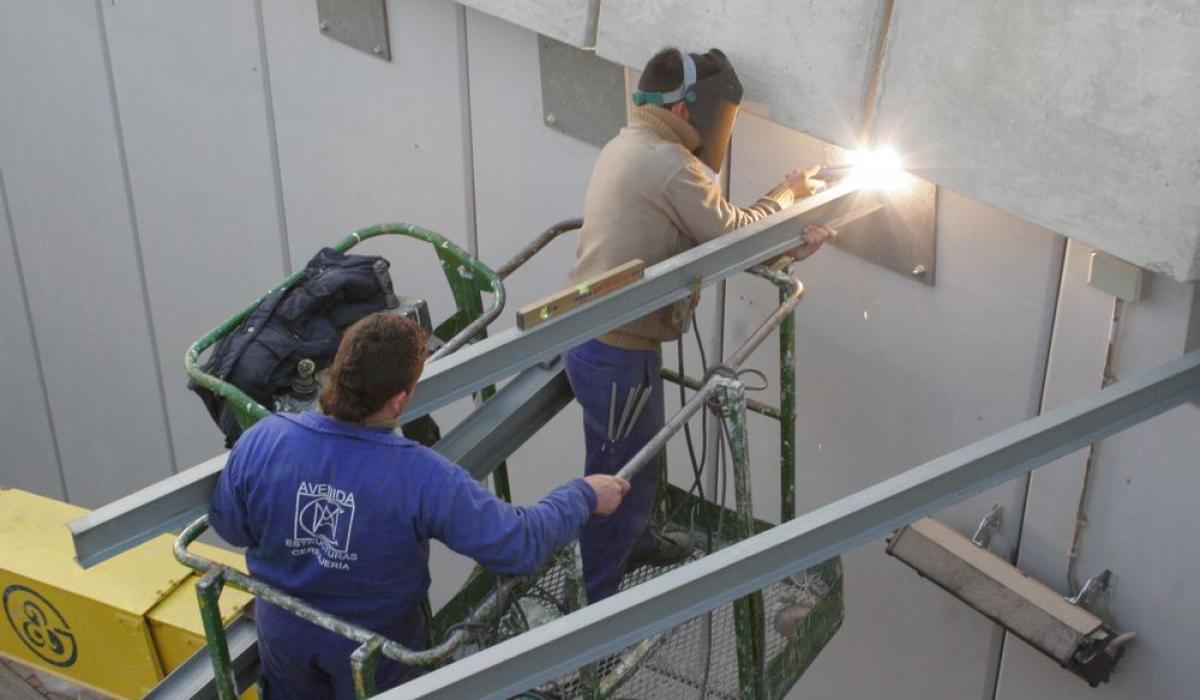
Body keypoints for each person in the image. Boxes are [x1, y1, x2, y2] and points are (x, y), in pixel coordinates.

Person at [208, 312, 630, 699]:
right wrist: (584, 495)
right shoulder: (421, 476)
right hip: (378, 655)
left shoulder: (264, 440)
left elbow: (231, 527)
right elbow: (516, 545)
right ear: (397, 402)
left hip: (285, 637)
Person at [564, 47, 834, 603]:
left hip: (605, 342)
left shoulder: (630, 142)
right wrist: (790, 195)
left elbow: (702, 235)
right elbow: (734, 232)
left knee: (633, 473)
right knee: (615, 484)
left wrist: (784, 242)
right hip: (616, 353)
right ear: (687, 112)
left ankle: (630, 545)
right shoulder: (669, 164)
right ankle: (590, 625)